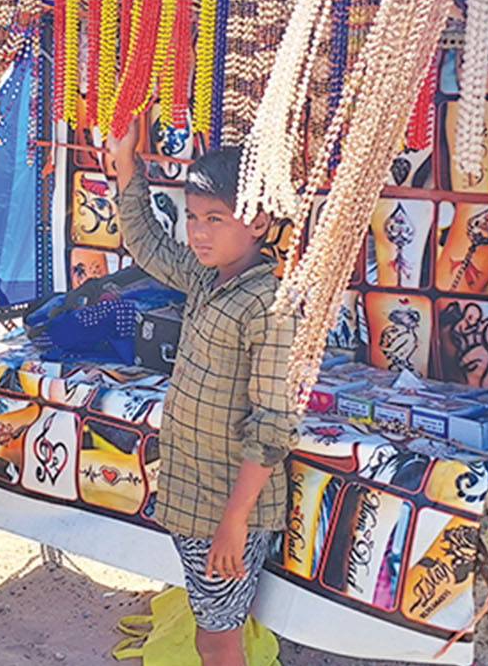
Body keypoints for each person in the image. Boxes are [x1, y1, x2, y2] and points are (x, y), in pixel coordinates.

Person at [104, 116, 298, 666]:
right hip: (194, 494)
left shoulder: (269, 305)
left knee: (216, 638)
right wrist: (127, 168)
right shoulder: (205, 275)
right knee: (212, 625)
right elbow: (145, 242)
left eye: (216, 218)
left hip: (227, 504)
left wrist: (234, 521)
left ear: (258, 221)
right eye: (192, 218)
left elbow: (272, 424)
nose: (199, 232)